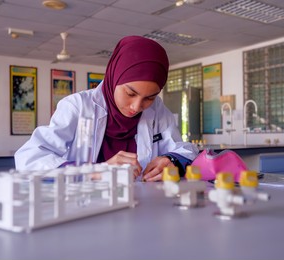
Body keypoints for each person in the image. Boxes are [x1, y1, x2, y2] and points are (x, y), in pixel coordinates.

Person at [14, 35, 198, 181]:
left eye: (149, 97)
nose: (137, 106)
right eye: (130, 93)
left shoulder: (157, 109)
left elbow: (185, 149)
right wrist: (95, 171)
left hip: (141, 206)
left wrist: (172, 160)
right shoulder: (78, 107)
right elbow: (29, 158)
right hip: (86, 205)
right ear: (114, 77)